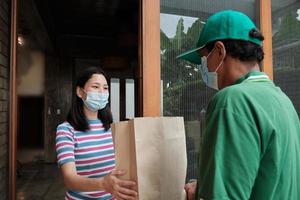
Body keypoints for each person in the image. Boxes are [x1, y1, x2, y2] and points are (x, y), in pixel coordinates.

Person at [177, 10, 300, 200]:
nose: (203, 68)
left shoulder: (232, 101)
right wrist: (202, 189)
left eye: (203, 59)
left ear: (219, 51)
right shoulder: (283, 101)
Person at [55, 66, 138, 200]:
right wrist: (102, 184)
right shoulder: (66, 130)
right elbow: (69, 179)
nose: (101, 92)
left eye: (105, 88)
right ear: (80, 92)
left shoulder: (113, 127)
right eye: (95, 87)